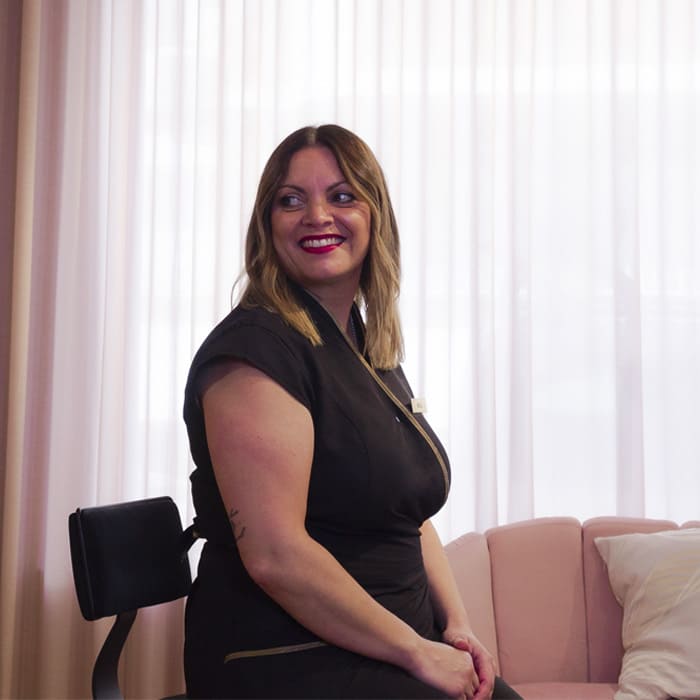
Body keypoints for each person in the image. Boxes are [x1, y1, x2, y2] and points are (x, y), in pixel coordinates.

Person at [182, 124, 522, 699]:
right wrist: (418, 653)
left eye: (342, 196)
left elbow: (408, 514)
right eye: (291, 200)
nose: (317, 215)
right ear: (268, 224)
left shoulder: (363, 347)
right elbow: (275, 556)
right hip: (286, 655)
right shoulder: (254, 352)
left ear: (374, 216)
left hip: (389, 642)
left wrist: (457, 626)